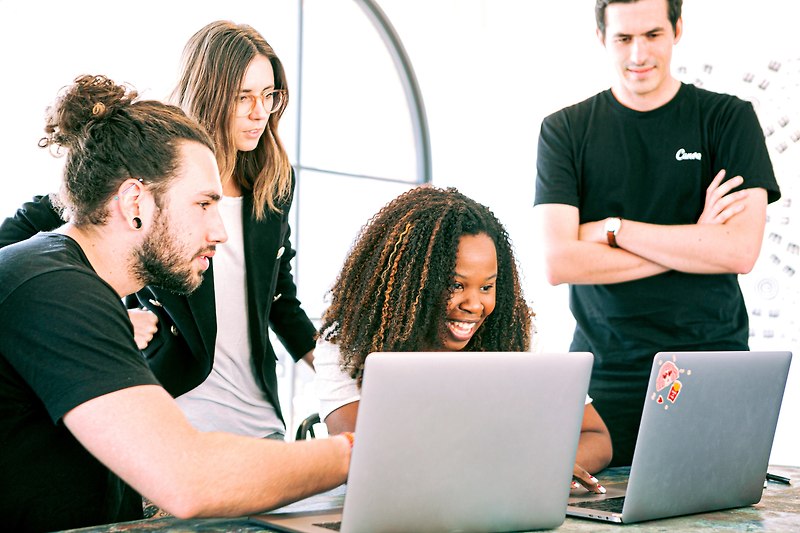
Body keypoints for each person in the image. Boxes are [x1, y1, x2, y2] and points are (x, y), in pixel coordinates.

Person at [0, 74, 350, 532]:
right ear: (134, 201)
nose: (220, 232)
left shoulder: (79, 283)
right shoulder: (52, 286)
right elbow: (188, 479)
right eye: (204, 204)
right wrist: (356, 452)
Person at [0, 21, 316, 439]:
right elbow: (21, 252)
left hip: (258, 420)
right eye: (244, 97)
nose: (261, 112)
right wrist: (107, 318)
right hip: (169, 415)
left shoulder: (274, 182)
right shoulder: (145, 168)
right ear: (210, 94)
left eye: (269, 95)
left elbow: (279, 298)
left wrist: (341, 370)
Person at [533, 0, 781, 467]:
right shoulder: (564, 131)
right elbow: (559, 262)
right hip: (604, 374)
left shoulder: (727, 120)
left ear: (677, 29)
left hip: (712, 362)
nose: (638, 54)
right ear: (601, 38)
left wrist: (613, 230)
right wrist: (694, 241)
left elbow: (740, 251)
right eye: (623, 39)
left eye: (652, 35)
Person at [314, 185, 612, 492]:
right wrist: (514, 464)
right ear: (412, 282)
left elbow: (597, 438)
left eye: (486, 288)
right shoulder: (348, 343)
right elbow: (366, 459)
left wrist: (546, 466)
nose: (474, 305)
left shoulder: (513, 334)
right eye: (456, 285)